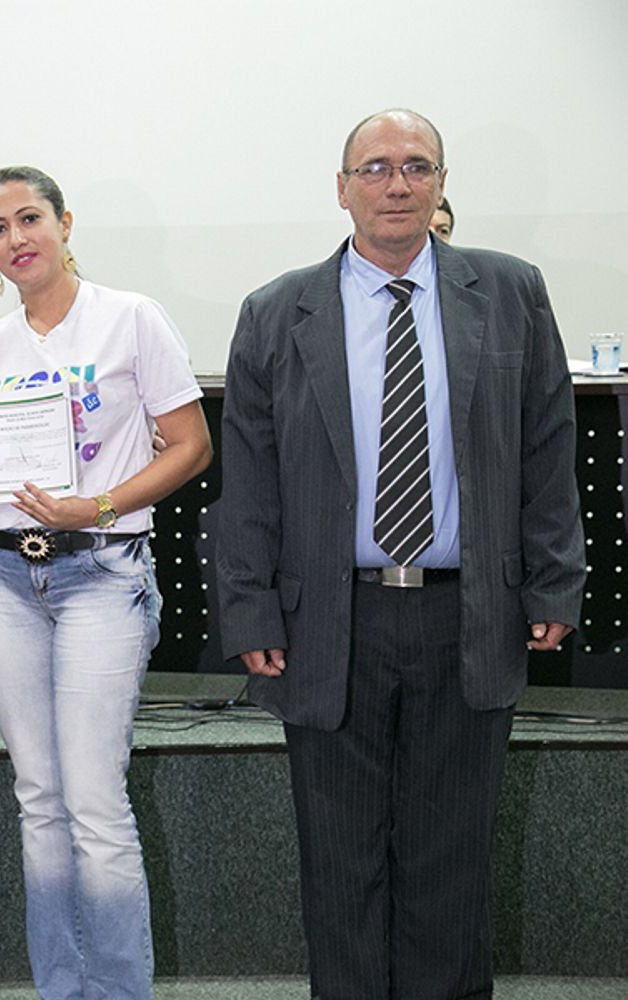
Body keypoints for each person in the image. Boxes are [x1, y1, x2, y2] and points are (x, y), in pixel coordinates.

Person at [217, 109, 585, 999]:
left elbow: (547, 444)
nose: (396, 183)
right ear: (341, 188)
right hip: (327, 620)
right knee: (340, 860)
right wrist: (251, 609)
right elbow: (251, 477)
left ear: (441, 182)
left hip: (471, 611)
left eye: (416, 166)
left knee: (451, 860)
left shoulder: (509, 291)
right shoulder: (276, 311)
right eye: (375, 167)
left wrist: (554, 583)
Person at [0, 166, 211, 1000]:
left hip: (100, 571)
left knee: (94, 802)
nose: (17, 238)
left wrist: (90, 504)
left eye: (30, 219)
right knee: (38, 800)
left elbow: (191, 446)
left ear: (64, 223)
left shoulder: (131, 319)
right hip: (0, 579)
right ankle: (64, 988)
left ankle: (118, 992)